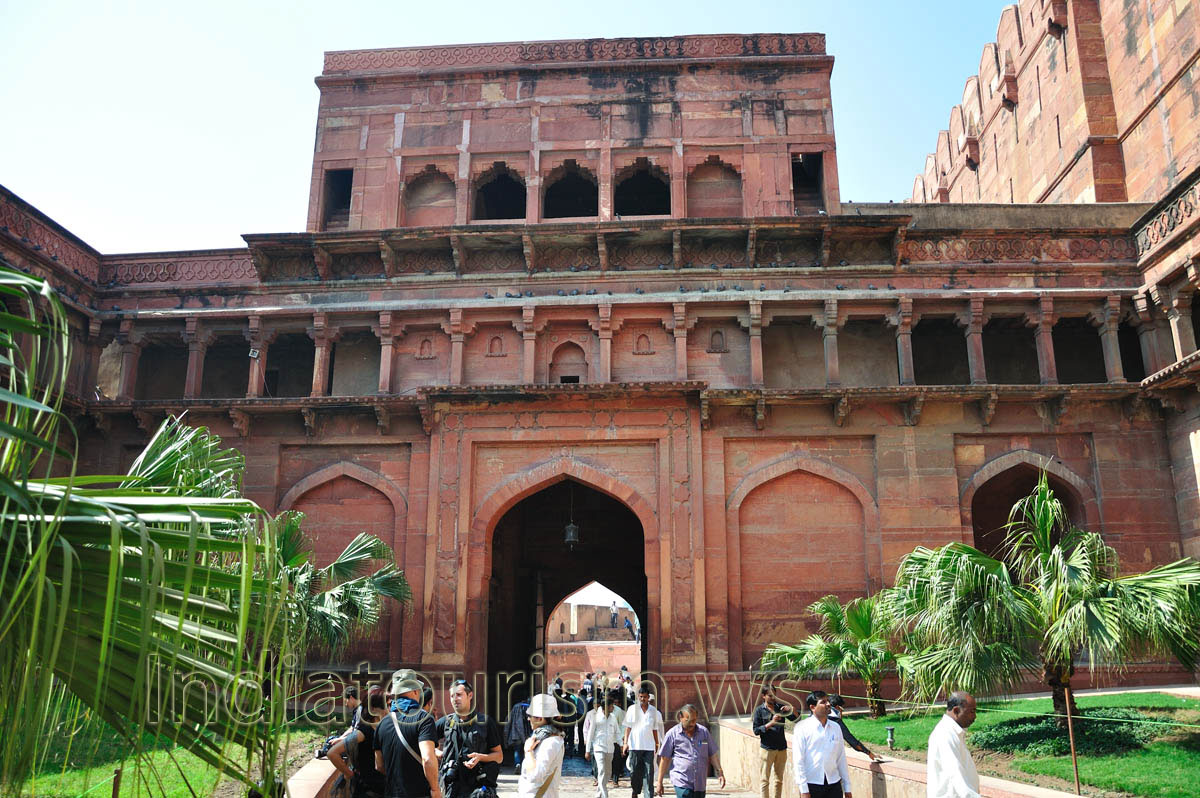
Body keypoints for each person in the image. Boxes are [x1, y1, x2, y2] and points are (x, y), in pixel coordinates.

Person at [374, 669, 441, 798]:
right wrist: (435, 789)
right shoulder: (424, 719)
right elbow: (427, 759)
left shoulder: (382, 724)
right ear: (415, 691)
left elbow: (379, 765)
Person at [435, 679, 503, 798]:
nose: (455, 699)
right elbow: (426, 744)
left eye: (459, 695)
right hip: (451, 788)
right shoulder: (446, 722)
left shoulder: (485, 722)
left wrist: (480, 757)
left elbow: (499, 756)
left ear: (470, 695)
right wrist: (440, 753)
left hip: (477, 788)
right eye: (452, 696)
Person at [792, 691, 852, 798]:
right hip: (812, 784)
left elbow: (841, 758)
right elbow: (798, 761)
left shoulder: (835, 727)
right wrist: (804, 790)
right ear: (812, 707)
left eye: (828, 701)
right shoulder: (802, 728)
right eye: (823, 702)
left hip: (834, 783)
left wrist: (847, 787)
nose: (828, 704)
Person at [656, 704, 723, 798]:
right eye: (688, 720)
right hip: (682, 782)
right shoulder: (672, 734)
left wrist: (720, 772)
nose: (692, 723)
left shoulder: (704, 733)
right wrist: (659, 782)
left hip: (700, 783)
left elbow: (712, 754)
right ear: (681, 717)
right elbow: (665, 759)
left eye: (694, 720)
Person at [329, 692, 388, 798]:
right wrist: (349, 773)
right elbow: (332, 753)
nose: (389, 709)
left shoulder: (382, 728)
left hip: (381, 787)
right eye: (387, 705)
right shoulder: (363, 731)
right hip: (366, 789)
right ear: (374, 709)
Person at [926, 692, 980, 798]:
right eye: (971, 711)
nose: (974, 717)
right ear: (956, 710)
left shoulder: (954, 733)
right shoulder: (945, 735)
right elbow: (956, 777)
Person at [751, 686, 798, 798]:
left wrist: (793, 709)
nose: (773, 698)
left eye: (774, 695)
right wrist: (771, 723)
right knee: (764, 780)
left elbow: (796, 719)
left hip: (781, 748)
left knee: (779, 780)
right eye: (770, 695)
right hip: (767, 749)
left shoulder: (780, 708)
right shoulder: (759, 711)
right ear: (764, 696)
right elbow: (756, 730)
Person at [517, 694, 565, 798]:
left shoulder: (551, 742)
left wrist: (528, 752)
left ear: (540, 719)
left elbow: (535, 776)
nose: (528, 719)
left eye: (530, 716)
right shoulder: (542, 738)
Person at [622, 684, 664, 798]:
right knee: (634, 772)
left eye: (644, 697)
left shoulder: (653, 711)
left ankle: (648, 795)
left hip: (649, 747)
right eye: (640, 697)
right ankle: (635, 790)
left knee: (649, 773)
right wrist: (625, 743)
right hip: (635, 746)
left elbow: (655, 730)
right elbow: (628, 728)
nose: (642, 699)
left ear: (648, 697)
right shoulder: (632, 710)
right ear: (638, 697)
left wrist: (657, 744)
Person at [586, 693, 622, 798]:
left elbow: (617, 732)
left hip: (610, 749)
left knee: (607, 773)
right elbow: (590, 735)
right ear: (605, 707)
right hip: (598, 748)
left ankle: (598, 794)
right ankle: (605, 795)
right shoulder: (596, 718)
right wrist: (587, 750)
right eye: (611, 706)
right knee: (601, 771)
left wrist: (621, 745)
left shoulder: (613, 717)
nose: (613, 708)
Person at [828, 696, 879, 762]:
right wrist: (869, 753)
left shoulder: (820, 716)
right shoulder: (835, 720)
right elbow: (852, 741)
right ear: (837, 707)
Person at [506, 693, 533, 774]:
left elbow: (509, 719)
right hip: (527, 734)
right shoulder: (529, 707)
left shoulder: (515, 707)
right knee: (527, 750)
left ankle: (517, 764)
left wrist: (507, 732)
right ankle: (526, 766)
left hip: (516, 733)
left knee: (517, 750)